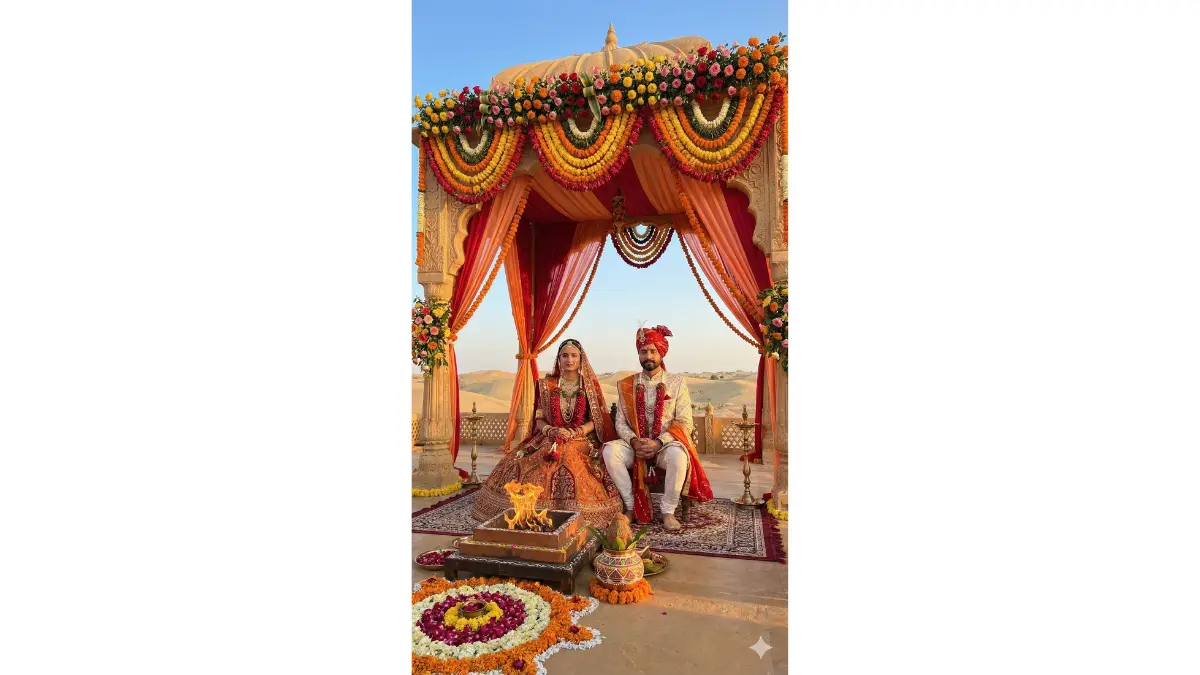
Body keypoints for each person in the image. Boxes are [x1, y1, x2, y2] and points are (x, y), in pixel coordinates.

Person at [470, 339, 624, 530]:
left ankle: (572, 513)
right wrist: (551, 430)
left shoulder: (589, 386)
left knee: (568, 456)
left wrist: (574, 431)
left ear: (581, 359)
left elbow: (596, 420)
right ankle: (528, 511)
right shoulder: (546, 385)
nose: (569, 360)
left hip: (581, 438)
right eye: (565, 355)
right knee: (527, 462)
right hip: (548, 436)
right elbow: (539, 419)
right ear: (559, 359)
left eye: (574, 355)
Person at [602, 325, 713, 531]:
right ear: (638, 354)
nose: (648, 356)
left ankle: (668, 511)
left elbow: (685, 422)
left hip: (664, 445)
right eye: (644, 351)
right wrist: (635, 442)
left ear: (661, 352)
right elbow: (620, 422)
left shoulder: (677, 383)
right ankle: (631, 507)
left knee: (679, 457)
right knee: (610, 451)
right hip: (635, 445)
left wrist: (659, 442)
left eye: (653, 351)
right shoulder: (627, 384)